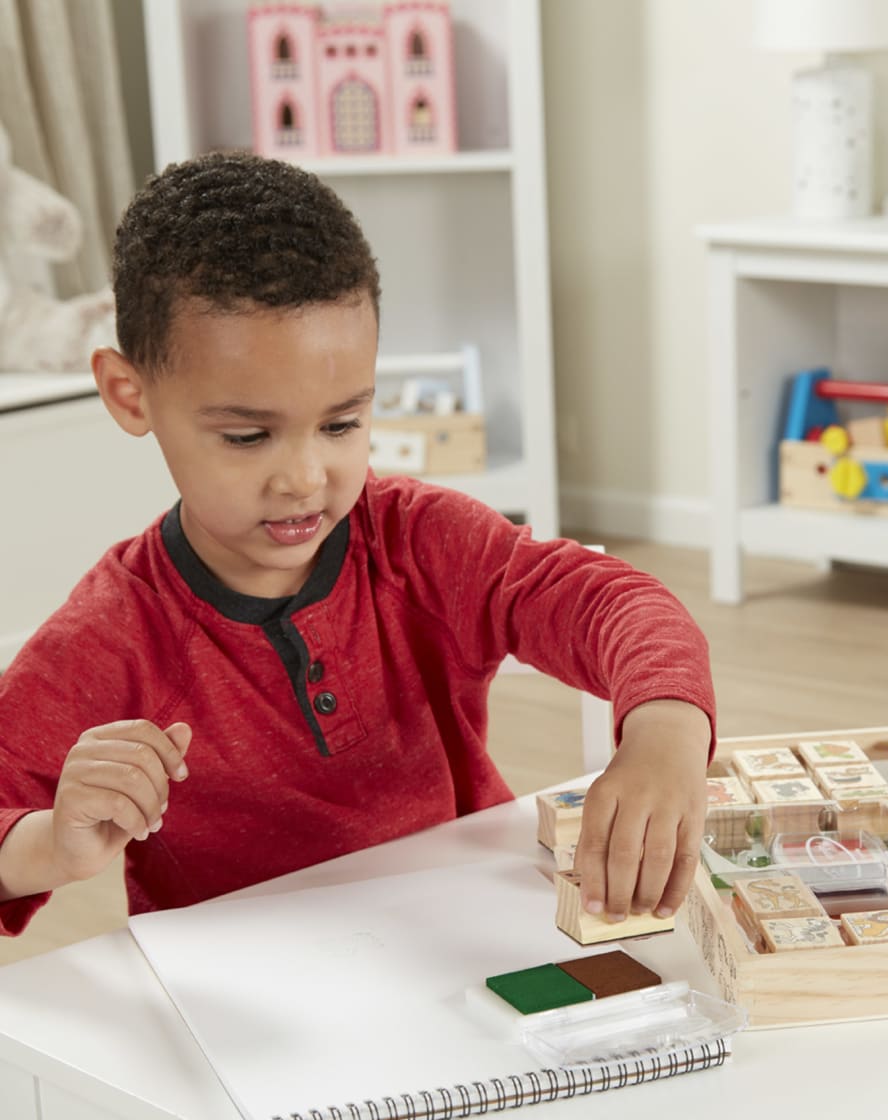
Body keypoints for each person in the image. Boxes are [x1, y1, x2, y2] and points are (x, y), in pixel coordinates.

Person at [0, 152, 715, 939]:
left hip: (460, 949)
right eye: (248, 436)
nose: (306, 478)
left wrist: (664, 735)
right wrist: (50, 847)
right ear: (129, 396)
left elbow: (613, 601)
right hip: (248, 1009)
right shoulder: (112, 634)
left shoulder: (420, 542)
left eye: (342, 424)